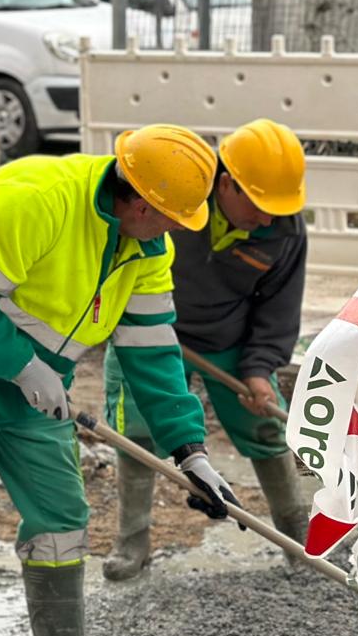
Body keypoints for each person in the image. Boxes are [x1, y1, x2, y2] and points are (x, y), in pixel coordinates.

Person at [0, 126, 241, 636]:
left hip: (33, 389)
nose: (180, 229)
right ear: (143, 203)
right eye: (175, 216)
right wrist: (24, 367)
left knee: (61, 517)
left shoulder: (148, 245)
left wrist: (189, 449)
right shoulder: (38, 200)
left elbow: (151, 348)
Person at [104, 118, 310, 580]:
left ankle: (298, 537)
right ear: (224, 184)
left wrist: (259, 369)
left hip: (227, 337)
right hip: (145, 326)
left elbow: (278, 310)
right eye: (258, 205)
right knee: (135, 430)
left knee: (264, 427)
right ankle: (131, 542)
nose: (267, 219)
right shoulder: (175, 194)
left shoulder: (284, 231)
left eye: (277, 209)